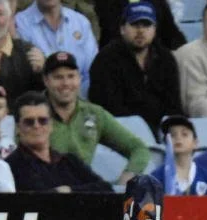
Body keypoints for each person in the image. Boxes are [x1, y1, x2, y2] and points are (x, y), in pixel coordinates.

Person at [43, 51, 151, 185]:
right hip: (44, 189)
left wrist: (127, 177)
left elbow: (139, 149)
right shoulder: (34, 113)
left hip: (82, 191)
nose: (66, 83)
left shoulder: (94, 114)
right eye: (58, 77)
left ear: (80, 79)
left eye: (71, 76)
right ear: (46, 81)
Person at [88, 1, 182, 133]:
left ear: (155, 29)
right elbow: (108, 109)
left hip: (162, 133)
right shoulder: (105, 60)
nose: (141, 31)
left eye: (146, 25)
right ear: (122, 29)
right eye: (135, 24)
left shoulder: (166, 59)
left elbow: (174, 107)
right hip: (120, 134)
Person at [5, 91, 113, 192]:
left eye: (43, 121)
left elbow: (106, 189)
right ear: (18, 128)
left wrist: (69, 190)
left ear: (51, 125)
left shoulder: (69, 161)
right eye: (29, 122)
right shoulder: (9, 167)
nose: (37, 126)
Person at [16, 0, 101, 99]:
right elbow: (25, 74)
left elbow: (92, 71)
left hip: (83, 101)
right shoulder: (20, 23)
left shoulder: (80, 21)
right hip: (41, 103)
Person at [95, 0, 186, 51]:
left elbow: (170, 32)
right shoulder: (106, 3)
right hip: (117, 59)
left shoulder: (158, 2)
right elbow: (111, 31)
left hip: (154, 58)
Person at [148, 114, 200, 194]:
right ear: (166, 142)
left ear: (195, 143)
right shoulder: (155, 178)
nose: (178, 138)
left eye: (184, 134)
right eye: (172, 135)